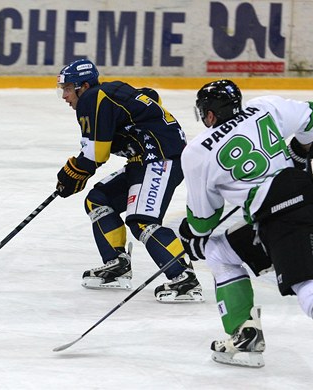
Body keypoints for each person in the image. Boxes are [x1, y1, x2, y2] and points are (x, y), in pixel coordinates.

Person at [178, 79, 313, 389]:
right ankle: (246, 336)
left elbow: (203, 222)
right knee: (219, 251)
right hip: (285, 214)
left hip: (287, 221)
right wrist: (299, 152)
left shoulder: (198, 150)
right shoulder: (264, 106)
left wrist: (191, 234)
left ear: (210, 115)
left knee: (312, 291)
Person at [55, 58, 203, 302]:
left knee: (142, 221)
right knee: (99, 200)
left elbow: (95, 155)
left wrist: (74, 172)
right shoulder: (109, 94)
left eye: (68, 89)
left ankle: (184, 278)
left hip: (160, 160)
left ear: (83, 86)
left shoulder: (93, 98)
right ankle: (117, 264)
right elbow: (150, 98)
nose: (65, 96)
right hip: (144, 161)